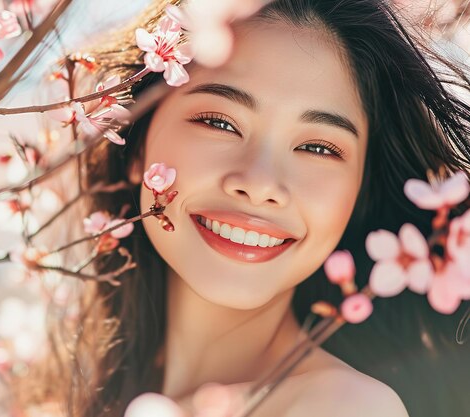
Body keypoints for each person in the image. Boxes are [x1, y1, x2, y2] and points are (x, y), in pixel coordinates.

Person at [42, 1, 470, 416]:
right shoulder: (72, 388)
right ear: (136, 142)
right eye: (220, 122)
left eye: (318, 147)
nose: (261, 184)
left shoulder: (343, 408)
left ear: (359, 189)